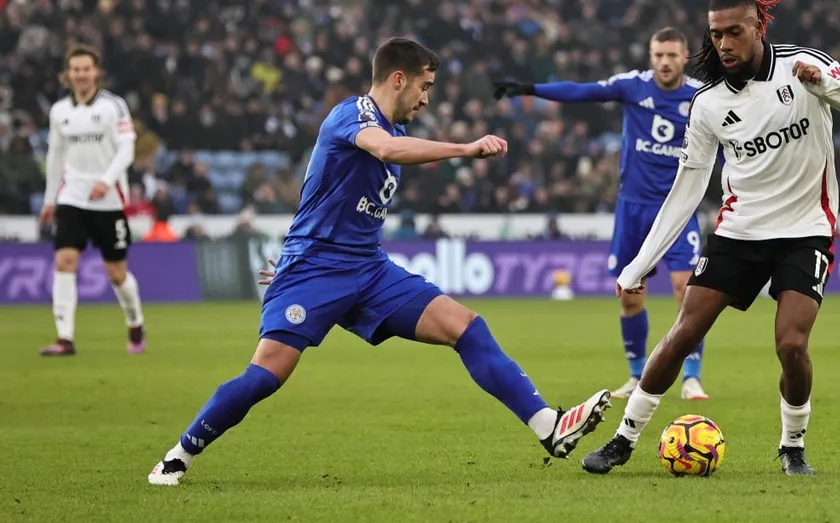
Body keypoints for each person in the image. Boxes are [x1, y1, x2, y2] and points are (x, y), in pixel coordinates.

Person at [148, 38, 611, 486]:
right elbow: (386, 151)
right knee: (265, 377)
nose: (427, 98)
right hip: (315, 270)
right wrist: (465, 148)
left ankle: (549, 426)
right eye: (424, 86)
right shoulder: (353, 114)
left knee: (466, 326)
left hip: (369, 270)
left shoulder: (398, 131)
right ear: (397, 78)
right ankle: (178, 455)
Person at [581, 0, 840, 476]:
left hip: (805, 230)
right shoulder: (707, 104)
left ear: (759, 28)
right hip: (739, 232)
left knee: (791, 344)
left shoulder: (804, 66)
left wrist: (826, 88)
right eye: (716, 34)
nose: (723, 43)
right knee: (683, 331)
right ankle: (623, 439)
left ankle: (792, 447)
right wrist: (641, 263)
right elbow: (687, 189)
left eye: (734, 32)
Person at [493, 28, 716, 402]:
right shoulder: (632, 86)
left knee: (686, 292)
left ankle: (691, 376)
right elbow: (583, 91)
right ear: (650, 55)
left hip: (678, 208)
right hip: (633, 209)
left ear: (685, 57)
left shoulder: (699, 96)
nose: (664, 62)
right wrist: (530, 89)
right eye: (658, 54)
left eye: (672, 55)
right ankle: (635, 374)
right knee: (630, 297)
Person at [39, 45, 146, 356]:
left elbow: (127, 149)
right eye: (76, 69)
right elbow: (55, 156)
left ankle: (134, 320)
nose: (81, 74)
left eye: (86, 69)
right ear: (67, 75)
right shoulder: (59, 111)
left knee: (116, 272)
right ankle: (65, 338)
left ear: (96, 72)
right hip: (72, 196)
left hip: (109, 200)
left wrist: (106, 180)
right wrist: (49, 200)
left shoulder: (114, 106)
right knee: (64, 261)